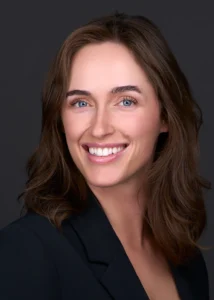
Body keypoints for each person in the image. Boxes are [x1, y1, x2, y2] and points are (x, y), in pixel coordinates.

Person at [0, 11, 211, 300]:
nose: (99, 128)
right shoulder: (25, 252)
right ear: (60, 119)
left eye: (126, 101)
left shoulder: (187, 261)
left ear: (165, 116)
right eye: (81, 102)